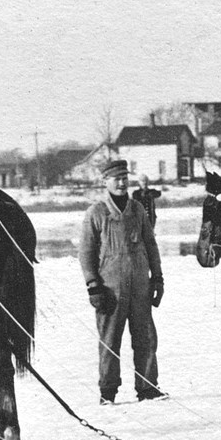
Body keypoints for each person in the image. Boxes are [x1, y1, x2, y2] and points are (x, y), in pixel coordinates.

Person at [79, 158, 164, 403]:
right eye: (116, 179)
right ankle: (108, 391)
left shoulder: (137, 209)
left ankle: (148, 388)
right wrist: (93, 285)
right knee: (109, 341)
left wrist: (157, 279)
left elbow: (151, 245)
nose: (121, 183)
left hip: (139, 287)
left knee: (146, 337)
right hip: (110, 290)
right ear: (105, 181)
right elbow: (85, 253)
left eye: (125, 178)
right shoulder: (96, 213)